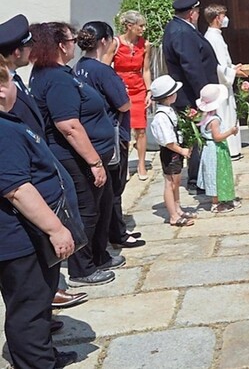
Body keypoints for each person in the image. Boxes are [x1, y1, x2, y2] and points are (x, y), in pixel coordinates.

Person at [29, 22, 122, 287]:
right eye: (71, 40)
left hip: (87, 154)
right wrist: (94, 162)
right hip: (75, 158)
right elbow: (68, 126)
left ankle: (99, 255)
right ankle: (82, 269)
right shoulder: (56, 79)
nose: (75, 44)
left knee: (101, 206)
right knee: (86, 211)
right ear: (61, 45)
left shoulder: (59, 72)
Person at [0, 65, 78, 369]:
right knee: (28, 307)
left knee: (38, 300)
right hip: (19, 240)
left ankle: (44, 356)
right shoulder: (3, 131)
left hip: (25, 237)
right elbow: (16, 189)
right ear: (3, 90)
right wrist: (56, 228)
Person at [74, 21, 145, 250]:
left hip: (94, 131)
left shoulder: (79, 67)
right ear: (104, 41)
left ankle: (116, 230)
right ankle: (118, 233)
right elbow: (124, 104)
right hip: (112, 132)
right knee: (115, 187)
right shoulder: (102, 70)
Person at [162, 0, 219, 193]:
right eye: (196, 11)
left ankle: (199, 177)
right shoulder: (181, 32)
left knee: (196, 136)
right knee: (196, 136)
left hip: (190, 94)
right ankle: (197, 180)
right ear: (192, 13)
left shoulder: (178, 28)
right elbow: (191, 66)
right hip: (191, 95)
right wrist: (205, 94)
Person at [149, 75, 196, 227]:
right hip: (171, 153)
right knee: (170, 183)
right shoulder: (161, 117)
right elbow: (168, 141)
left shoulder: (169, 111)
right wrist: (181, 150)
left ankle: (177, 208)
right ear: (170, 96)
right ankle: (173, 216)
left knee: (176, 181)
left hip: (175, 151)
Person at [203, 4, 246, 161]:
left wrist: (233, 67)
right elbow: (218, 67)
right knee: (225, 115)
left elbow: (224, 63)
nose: (225, 19)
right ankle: (229, 149)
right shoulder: (213, 38)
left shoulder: (216, 35)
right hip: (221, 87)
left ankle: (233, 149)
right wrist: (234, 72)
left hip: (225, 83)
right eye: (223, 16)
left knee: (229, 113)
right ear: (217, 19)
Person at [112, 10, 152, 181]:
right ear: (129, 26)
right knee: (123, 130)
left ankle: (142, 163)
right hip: (120, 89)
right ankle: (125, 164)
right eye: (140, 25)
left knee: (141, 129)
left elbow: (146, 69)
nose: (143, 28)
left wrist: (149, 91)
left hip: (138, 88)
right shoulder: (115, 43)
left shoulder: (145, 44)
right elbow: (107, 67)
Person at [197, 84, 240, 213]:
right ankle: (216, 203)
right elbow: (217, 137)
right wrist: (231, 132)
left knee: (216, 173)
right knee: (216, 174)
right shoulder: (214, 120)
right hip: (215, 149)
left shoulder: (204, 116)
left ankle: (224, 198)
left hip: (208, 148)